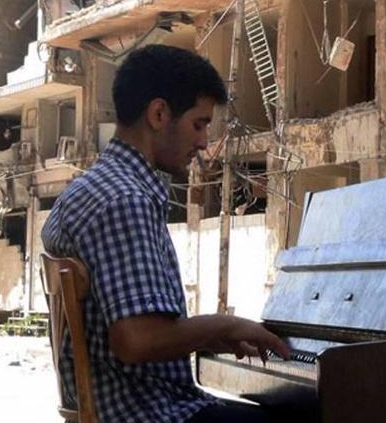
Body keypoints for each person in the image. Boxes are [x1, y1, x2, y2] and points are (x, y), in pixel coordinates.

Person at [42, 44, 290, 423]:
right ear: (159, 114)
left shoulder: (89, 188)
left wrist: (210, 335)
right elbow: (137, 340)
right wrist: (223, 323)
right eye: (199, 124)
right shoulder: (124, 200)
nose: (205, 142)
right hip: (150, 413)